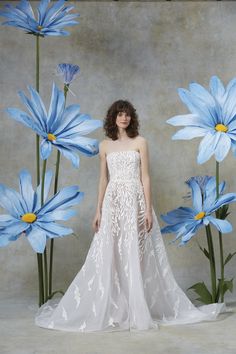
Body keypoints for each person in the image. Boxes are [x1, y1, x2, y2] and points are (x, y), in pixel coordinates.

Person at [35, 100, 225, 332]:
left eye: (127, 115)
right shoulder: (104, 146)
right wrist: (98, 210)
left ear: (132, 118)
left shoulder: (141, 142)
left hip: (135, 202)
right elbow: (103, 179)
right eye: (120, 114)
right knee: (111, 251)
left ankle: (136, 307)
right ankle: (115, 308)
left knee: (135, 252)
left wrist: (147, 207)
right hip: (113, 202)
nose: (124, 118)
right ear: (113, 118)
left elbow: (145, 177)